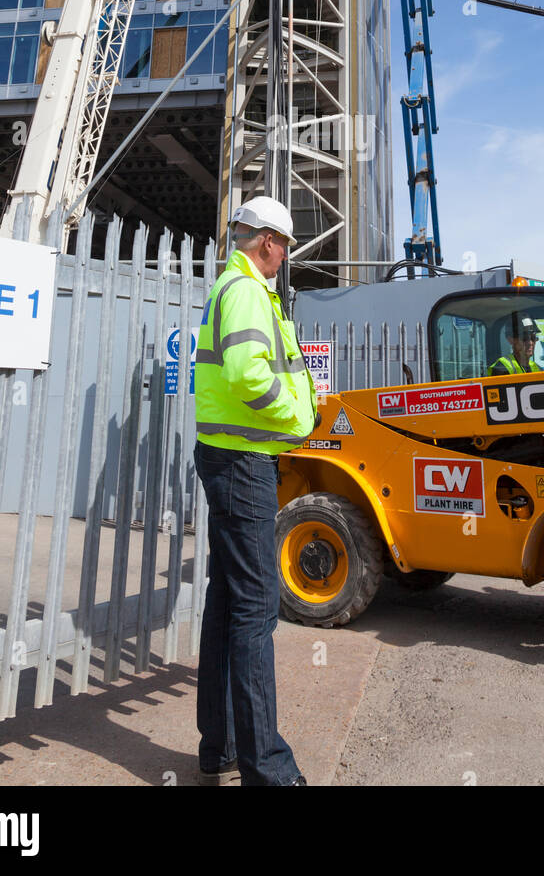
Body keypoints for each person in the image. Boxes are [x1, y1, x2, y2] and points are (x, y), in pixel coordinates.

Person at [193, 196, 318, 787]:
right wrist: (295, 417)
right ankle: (265, 768)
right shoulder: (245, 289)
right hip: (244, 464)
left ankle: (219, 747)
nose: (285, 257)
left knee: (228, 603)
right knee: (255, 610)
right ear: (268, 240)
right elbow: (249, 375)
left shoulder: (235, 287)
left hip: (229, 458)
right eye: (285, 246)